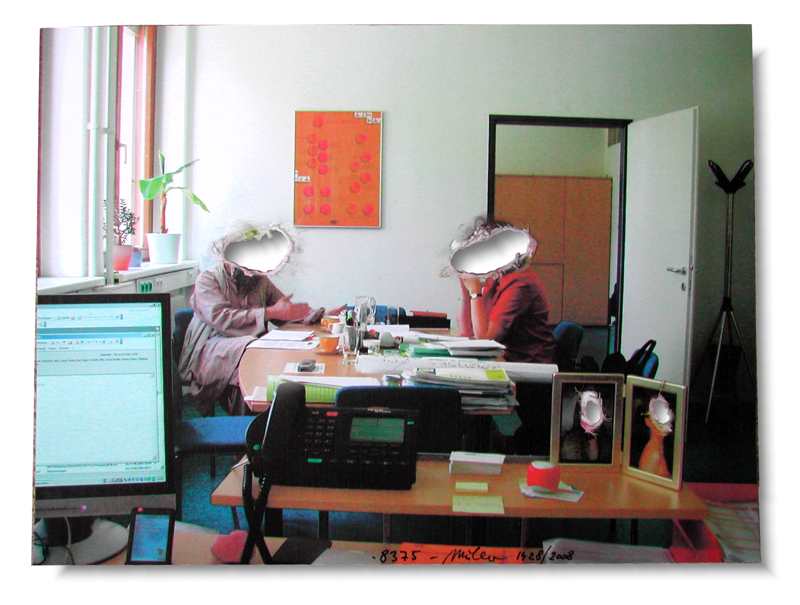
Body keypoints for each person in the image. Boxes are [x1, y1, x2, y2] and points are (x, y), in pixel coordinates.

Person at [179, 229, 337, 415]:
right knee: (249, 349)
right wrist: (271, 312)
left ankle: (274, 416)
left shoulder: (260, 280)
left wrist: (321, 315)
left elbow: (284, 311)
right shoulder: (208, 279)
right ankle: (249, 422)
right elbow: (222, 318)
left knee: (265, 351)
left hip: (253, 345)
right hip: (210, 346)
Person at [453, 220, 556, 455]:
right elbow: (469, 335)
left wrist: (475, 292)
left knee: (466, 407)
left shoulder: (520, 283)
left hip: (529, 378)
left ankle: (489, 450)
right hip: (506, 367)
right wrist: (466, 290)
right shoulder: (497, 280)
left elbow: (485, 341)